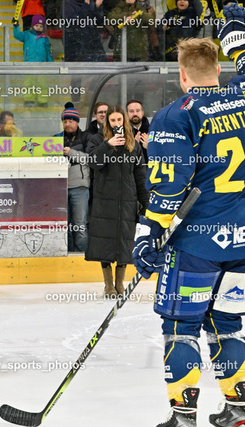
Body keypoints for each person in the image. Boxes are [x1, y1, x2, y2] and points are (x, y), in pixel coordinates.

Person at [132, 30, 245, 426]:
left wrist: (148, 238)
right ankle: (238, 409)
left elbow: (169, 189)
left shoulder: (175, 115)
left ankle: (183, 417)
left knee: (181, 327)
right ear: (218, 69)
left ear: (182, 75)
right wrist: (239, 38)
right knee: (227, 323)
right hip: (243, 243)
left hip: (196, 246)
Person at [85, 105, 148, 296]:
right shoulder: (97, 140)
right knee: (105, 242)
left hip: (128, 201)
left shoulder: (133, 145)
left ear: (124, 120)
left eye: (119, 120)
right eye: (112, 120)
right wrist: (108, 145)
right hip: (104, 201)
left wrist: (145, 203)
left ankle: (120, 283)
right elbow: (94, 162)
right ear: (106, 122)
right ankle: (108, 284)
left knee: (124, 241)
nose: (116, 123)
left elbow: (140, 176)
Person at [56, 102, 91, 252]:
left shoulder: (86, 137)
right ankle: (67, 253)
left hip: (79, 187)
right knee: (64, 226)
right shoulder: (56, 139)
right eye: (65, 121)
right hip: (60, 187)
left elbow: (90, 158)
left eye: (70, 121)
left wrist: (70, 152)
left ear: (77, 122)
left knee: (80, 225)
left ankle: (82, 255)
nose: (67, 124)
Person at [13, 15, 52, 106]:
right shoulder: (27, 34)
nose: (38, 28)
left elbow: (48, 51)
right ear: (32, 25)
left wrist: (50, 63)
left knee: (42, 82)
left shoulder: (44, 38)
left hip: (41, 64)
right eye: (37, 25)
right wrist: (16, 27)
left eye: (41, 26)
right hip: (29, 63)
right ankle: (29, 99)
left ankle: (42, 100)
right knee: (29, 82)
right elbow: (17, 35)